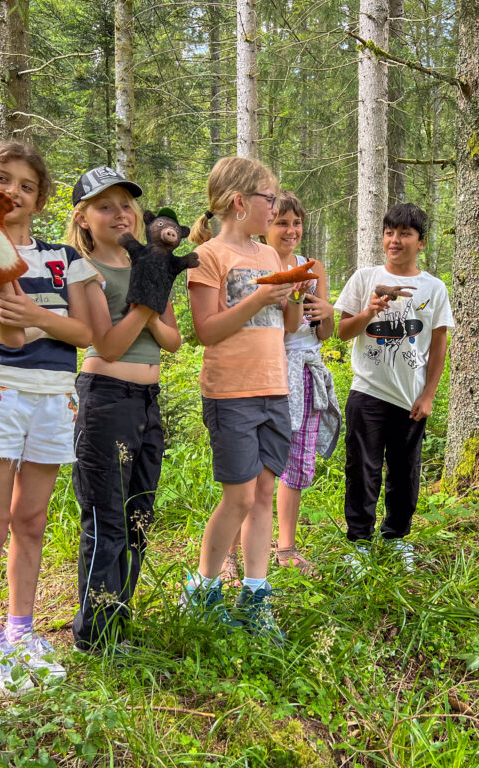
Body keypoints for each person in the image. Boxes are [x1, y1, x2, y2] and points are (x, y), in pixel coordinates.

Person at [0, 142, 96, 694]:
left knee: (31, 521)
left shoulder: (64, 258)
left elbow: (87, 334)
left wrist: (39, 316)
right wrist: (40, 318)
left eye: (26, 186)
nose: (12, 191)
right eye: (1, 180)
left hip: (55, 395)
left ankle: (21, 630)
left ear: (39, 201)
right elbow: (4, 334)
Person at [181, 156, 303, 641]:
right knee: (237, 496)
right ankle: (203, 589)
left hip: (275, 388)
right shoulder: (209, 256)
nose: (274, 208)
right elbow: (205, 330)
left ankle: (256, 595)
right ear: (239, 202)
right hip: (232, 391)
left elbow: (288, 327)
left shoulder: (270, 256)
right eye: (268, 199)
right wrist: (255, 299)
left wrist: (292, 293)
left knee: (263, 495)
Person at [65, 167, 182, 653]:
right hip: (106, 400)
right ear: (84, 218)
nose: (120, 213)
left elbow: (173, 341)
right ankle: (93, 636)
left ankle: (119, 622)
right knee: (107, 518)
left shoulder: (152, 263)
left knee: (139, 517)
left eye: (125, 204)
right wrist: (145, 304)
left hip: (149, 404)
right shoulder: (84, 268)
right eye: (104, 206)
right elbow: (108, 346)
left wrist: (150, 294)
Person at [219, 191, 341, 583]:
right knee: (250, 470)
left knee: (294, 462)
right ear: (266, 226)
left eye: (296, 223)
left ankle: (285, 547)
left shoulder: (313, 267)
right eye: (281, 222)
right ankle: (230, 553)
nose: (291, 230)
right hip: (264, 371)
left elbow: (325, 333)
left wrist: (326, 313)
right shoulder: (256, 263)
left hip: (303, 370)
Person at [334, 202, 454, 570]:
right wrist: (369, 311)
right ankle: (359, 542)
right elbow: (340, 332)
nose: (395, 240)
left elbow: (438, 346)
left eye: (404, 234)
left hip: (410, 398)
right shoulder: (364, 278)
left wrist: (429, 394)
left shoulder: (433, 288)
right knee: (361, 469)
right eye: (389, 233)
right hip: (367, 391)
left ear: (421, 242)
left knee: (405, 472)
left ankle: (397, 537)